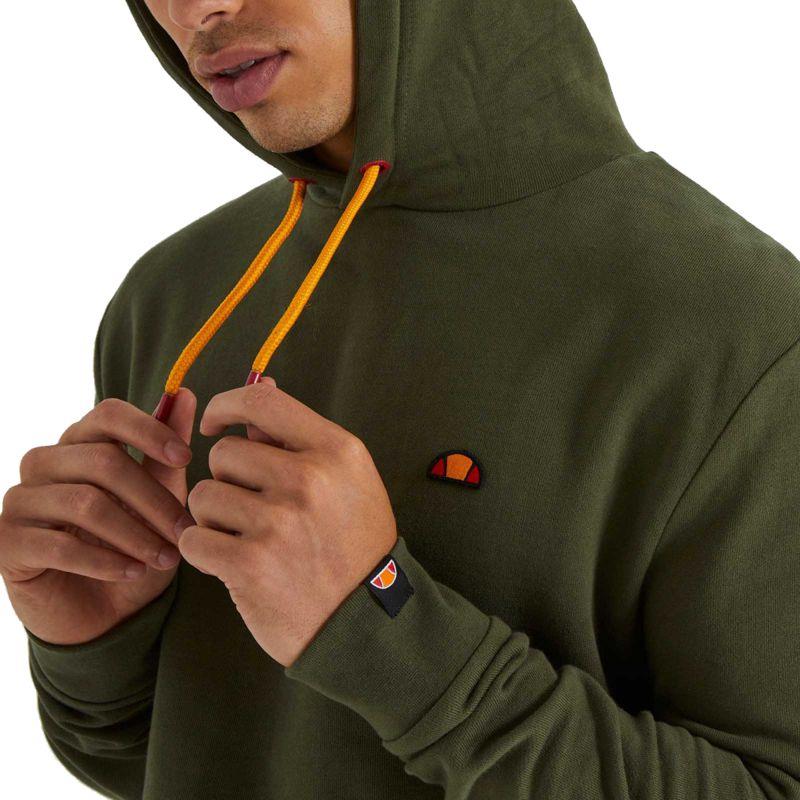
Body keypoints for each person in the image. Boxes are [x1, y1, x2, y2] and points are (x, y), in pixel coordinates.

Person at [2, 0, 799, 797]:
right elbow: (164, 762)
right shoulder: (176, 294)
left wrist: (385, 630)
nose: (193, 8)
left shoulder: (738, 329)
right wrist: (92, 657)